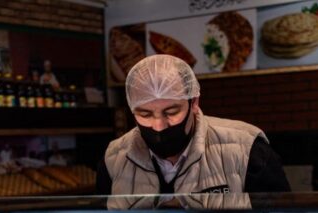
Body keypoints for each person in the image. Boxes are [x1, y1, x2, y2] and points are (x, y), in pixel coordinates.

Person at [96, 54, 289, 195]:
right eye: (145, 114)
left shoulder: (246, 150)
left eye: (171, 112)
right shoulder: (114, 159)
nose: (159, 126)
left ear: (194, 102)